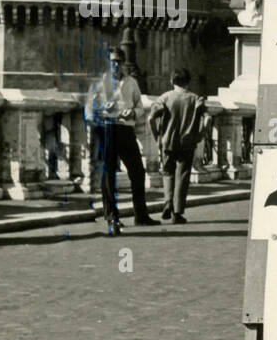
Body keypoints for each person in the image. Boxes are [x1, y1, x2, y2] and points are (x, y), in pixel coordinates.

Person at [85, 47, 157, 235]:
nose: (116, 64)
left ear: (124, 63)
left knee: (137, 171)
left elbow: (140, 107)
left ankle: (141, 215)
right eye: (112, 61)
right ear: (107, 63)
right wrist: (102, 109)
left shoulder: (131, 82)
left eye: (119, 61)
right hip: (106, 128)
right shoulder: (99, 83)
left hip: (125, 129)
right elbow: (89, 111)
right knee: (108, 174)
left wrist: (132, 112)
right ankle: (112, 218)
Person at [148, 67, 208, 224]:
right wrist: (200, 135)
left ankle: (167, 201)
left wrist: (157, 137)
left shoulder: (165, 98)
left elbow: (150, 119)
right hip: (187, 143)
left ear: (171, 81)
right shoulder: (196, 99)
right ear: (188, 82)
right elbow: (207, 120)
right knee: (182, 175)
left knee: (167, 172)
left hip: (167, 141)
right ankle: (177, 212)